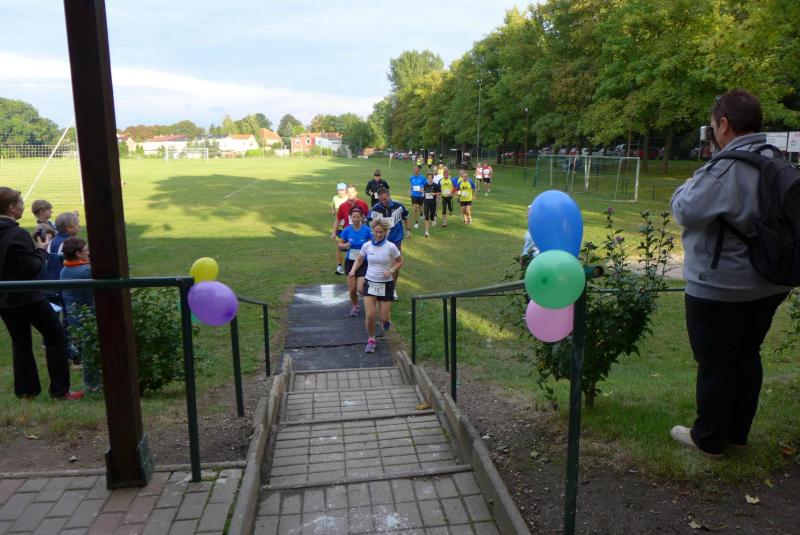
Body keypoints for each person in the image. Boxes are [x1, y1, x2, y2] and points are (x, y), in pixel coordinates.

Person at [669, 89, 791, 458]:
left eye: (713, 126)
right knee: (747, 355)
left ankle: (708, 439)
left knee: (715, 362)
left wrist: (686, 184)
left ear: (724, 124)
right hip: (769, 282)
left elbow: (685, 209)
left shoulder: (725, 168)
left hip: (721, 286)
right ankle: (737, 434)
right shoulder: (775, 159)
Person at [0, 187, 82, 400]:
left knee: (20, 343)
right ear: (11, 207)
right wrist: (40, 249)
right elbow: (31, 268)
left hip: (4, 298)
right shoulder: (17, 234)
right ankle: (60, 390)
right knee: (55, 336)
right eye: (20, 203)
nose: (23, 206)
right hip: (27, 296)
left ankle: (26, 392)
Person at [348, 218, 403, 354]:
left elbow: (400, 261)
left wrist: (391, 270)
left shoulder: (391, 246)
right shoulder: (367, 246)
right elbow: (359, 259)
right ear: (372, 231)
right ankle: (371, 339)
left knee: (383, 317)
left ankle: (386, 321)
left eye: (381, 232)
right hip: (370, 283)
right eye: (376, 232)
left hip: (386, 284)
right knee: (370, 315)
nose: (378, 235)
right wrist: (353, 270)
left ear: (386, 232)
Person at [59, 237, 100, 392]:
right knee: (90, 349)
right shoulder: (85, 271)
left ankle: (93, 383)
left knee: (87, 348)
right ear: (78, 254)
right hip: (87, 316)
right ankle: (93, 384)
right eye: (87, 250)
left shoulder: (65, 269)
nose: (89, 252)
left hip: (73, 316)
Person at [368, 188, 410, 298]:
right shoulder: (376, 208)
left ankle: (393, 287)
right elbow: (369, 222)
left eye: (385, 199)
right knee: (381, 261)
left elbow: (406, 216)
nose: (383, 202)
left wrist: (408, 230)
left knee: (396, 262)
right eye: (381, 200)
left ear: (389, 196)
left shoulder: (398, 206)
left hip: (396, 239)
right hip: (381, 240)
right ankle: (378, 284)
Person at [338, 206, 371, 317]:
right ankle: (355, 306)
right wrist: (345, 245)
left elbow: (373, 243)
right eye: (354, 217)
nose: (356, 219)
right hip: (350, 262)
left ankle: (371, 303)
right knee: (352, 289)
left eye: (358, 217)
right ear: (351, 218)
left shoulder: (367, 230)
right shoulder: (347, 230)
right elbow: (340, 244)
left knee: (360, 288)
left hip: (363, 262)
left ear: (361, 217)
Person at [331, 185, 368, 275]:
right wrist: (334, 232)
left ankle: (362, 268)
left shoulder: (363, 204)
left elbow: (368, 218)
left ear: (356, 193)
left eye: (352, 192)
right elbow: (338, 220)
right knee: (339, 246)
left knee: (361, 250)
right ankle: (340, 266)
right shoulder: (342, 206)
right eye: (348, 192)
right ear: (346, 193)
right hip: (347, 232)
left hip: (360, 232)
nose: (350, 194)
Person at [330, 183, 349, 275]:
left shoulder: (349, 199)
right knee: (338, 246)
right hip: (339, 227)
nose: (340, 192)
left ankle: (350, 265)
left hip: (348, 227)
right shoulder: (335, 198)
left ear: (346, 190)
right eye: (339, 190)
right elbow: (332, 209)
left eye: (342, 190)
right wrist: (333, 211)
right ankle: (339, 266)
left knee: (350, 246)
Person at [422, 172, 441, 238]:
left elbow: (440, 193)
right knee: (426, 217)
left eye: (431, 177)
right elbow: (424, 191)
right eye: (428, 177)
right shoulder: (425, 185)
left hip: (433, 203)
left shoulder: (436, 186)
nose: (429, 179)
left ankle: (433, 218)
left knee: (431, 216)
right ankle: (426, 232)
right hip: (426, 203)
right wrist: (421, 190)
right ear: (427, 178)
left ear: (432, 178)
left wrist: (434, 194)